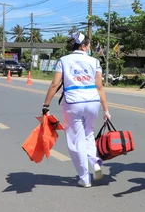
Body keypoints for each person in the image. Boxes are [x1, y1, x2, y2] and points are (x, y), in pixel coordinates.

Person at [42, 32, 111, 188]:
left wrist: (46, 105)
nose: (90, 48)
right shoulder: (94, 62)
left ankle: (85, 178)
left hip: (73, 103)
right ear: (83, 46)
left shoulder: (64, 61)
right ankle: (96, 163)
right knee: (89, 134)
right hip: (93, 102)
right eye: (88, 45)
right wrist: (106, 110)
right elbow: (100, 87)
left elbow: (54, 84)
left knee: (75, 140)